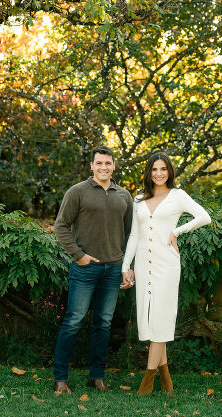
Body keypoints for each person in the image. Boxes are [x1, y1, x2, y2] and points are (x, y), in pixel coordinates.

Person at [121, 152, 211, 395]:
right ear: (148, 172)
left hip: (167, 264)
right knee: (150, 320)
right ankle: (166, 379)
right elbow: (134, 236)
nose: (159, 173)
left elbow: (204, 216)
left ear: (169, 171)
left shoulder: (178, 196)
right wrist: (125, 266)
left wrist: (178, 231)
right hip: (143, 265)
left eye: (163, 169)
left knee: (160, 319)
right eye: (154, 169)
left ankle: (147, 381)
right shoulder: (138, 199)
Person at [52, 145, 134, 394]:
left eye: (108, 163)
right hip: (85, 269)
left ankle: (96, 377)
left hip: (113, 269)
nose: (103, 167)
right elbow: (61, 226)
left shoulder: (124, 195)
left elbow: (131, 234)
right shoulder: (77, 192)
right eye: (99, 163)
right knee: (73, 322)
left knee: (104, 324)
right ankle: (60, 379)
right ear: (92, 166)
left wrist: (127, 266)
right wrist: (79, 256)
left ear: (114, 166)